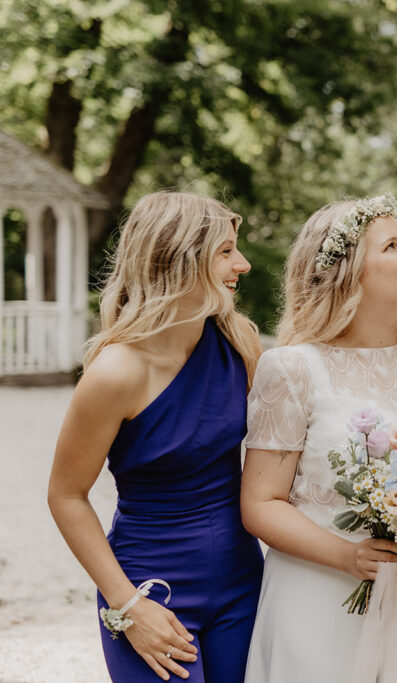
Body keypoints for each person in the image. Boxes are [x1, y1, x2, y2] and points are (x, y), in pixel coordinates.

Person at [240, 194, 397, 683]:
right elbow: (260, 503)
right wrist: (348, 556)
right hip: (320, 595)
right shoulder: (294, 367)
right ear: (349, 273)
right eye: (392, 246)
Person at [48, 192, 265, 682]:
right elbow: (66, 496)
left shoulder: (239, 343)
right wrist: (128, 605)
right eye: (226, 251)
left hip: (243, 584)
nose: (243, 264)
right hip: (151, 590)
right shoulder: (115, 373)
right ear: (182, 259)